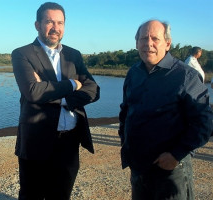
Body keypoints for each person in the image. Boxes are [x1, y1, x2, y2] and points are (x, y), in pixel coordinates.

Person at [11, 2, 100, 199]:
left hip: (69, 141)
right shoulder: (22, 54)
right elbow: (33, 92)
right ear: (37, 25)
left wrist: (58, 96)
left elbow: (93, 89)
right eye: (49, 22)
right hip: (36, 140)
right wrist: (72, 84)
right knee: (31, 195)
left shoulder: (73, 54)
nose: (55, 27)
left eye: (60, 22)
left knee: (61, 195)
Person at [118, 20, 213, 200]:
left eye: (155, 38)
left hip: (170, 171)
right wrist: (125, 141)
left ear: (167, 43)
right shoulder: (133, 73)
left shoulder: (185, 75)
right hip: (138, 168)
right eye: (143, 38)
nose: (149, 44)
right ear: (136, 42)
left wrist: (177, 154)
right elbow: (125, 111)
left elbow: (204, 123)